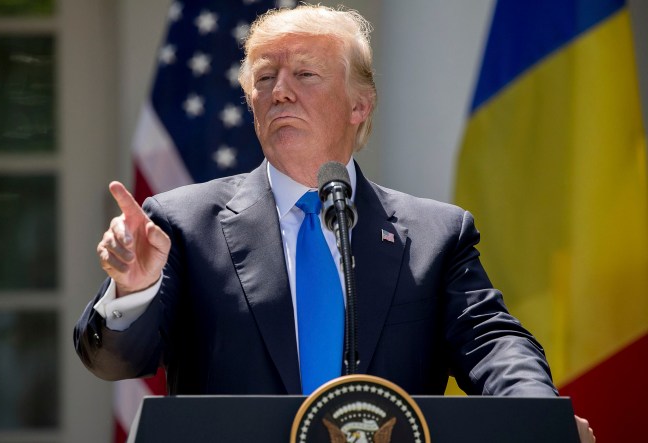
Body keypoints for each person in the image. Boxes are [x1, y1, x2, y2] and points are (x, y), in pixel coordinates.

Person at [74, 5, 594, 442]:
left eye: (304, 74)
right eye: (264, 78)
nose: (280, 91)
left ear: (359, 105)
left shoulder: (436, 235)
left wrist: (538, 416)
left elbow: (495, 346)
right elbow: (116, 363)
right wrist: (133, 290)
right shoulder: (184, 224)